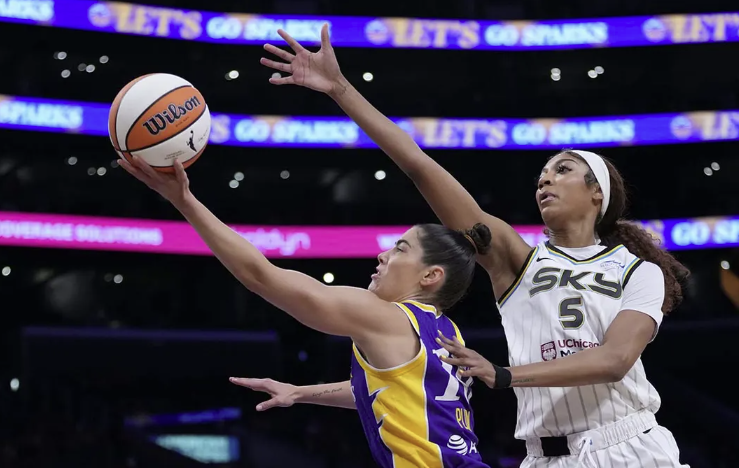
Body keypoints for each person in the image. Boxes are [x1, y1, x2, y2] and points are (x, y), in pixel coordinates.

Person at [258, 24, 690, 467]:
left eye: (562, 170)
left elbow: (615, 359)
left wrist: (504, 375)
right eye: (542, 174)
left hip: (629, 446)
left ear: (597, 192)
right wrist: (341, 90)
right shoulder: (515, 260)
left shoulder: (637, 271)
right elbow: (420, 167)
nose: (545, 178)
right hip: (543, 456)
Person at [118, 156, 492, 468]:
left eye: (400, 249)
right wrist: (302, 392)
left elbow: (259, 276)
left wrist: (184, 201)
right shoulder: (448, 334)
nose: (383, 255)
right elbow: (384, 389)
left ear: (430, 275)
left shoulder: (385, 316)